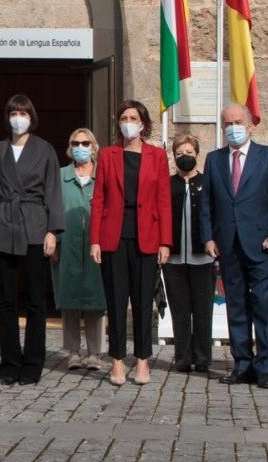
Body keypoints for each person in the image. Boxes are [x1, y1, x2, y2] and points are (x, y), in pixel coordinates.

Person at [0, 94, 63, 386]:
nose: (18, 117)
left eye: (24, 112)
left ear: (31, 116)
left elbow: (53, 191)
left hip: (35, 224)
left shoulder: (45, 149)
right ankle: (9, 362)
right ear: (8, 116)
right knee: (6, 300)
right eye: (14, 112)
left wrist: (52, 231)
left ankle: (33, 362)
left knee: (36, 300)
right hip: (1, 225)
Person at [199, 104, 268, 390]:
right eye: (227, 123)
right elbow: (207, 204)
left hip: (262, 245)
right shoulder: (214, 160)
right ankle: (241, 363)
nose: (233, 128)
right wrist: (208, 237)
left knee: (263, 307)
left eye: (238, 122)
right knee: (236, 306)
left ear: (250, 125)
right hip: (228, 245)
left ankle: (264, 367)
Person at [89, 100, 172, 386]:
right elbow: (98, 198)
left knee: (141, 301)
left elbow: (164, 200)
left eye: (133, 117)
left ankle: (143, 361)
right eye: (123, 117)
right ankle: (116, 361)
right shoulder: (109, 155)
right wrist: (95, 240)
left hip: (146, 238)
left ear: (143, 124)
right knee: (115, 300)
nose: (128, 122)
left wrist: (165, 242)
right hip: (113, 237)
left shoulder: (157, 156)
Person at [54, 128, 106, 372]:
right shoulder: (60, 175)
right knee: (70, 298)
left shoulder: (102, 174)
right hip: (68, 243)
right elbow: (50, 209)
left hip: (97, 245)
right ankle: (73, 351)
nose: (80, 146)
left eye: (85, 142)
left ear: (93, 146)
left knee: (96, 298)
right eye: (75, 142)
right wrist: (51, 236)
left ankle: (95, 353)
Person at [165, 134, 214, 374]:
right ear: (174, 156)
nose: (185, 157)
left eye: (189, 153)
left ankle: (203, 358)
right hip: (174, 257)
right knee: (180, 310)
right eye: (180, 154)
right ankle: (182, 357)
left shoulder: (206, 183)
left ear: (197, 154)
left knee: (203, 310)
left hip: (202, 257)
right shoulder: (167, 184)